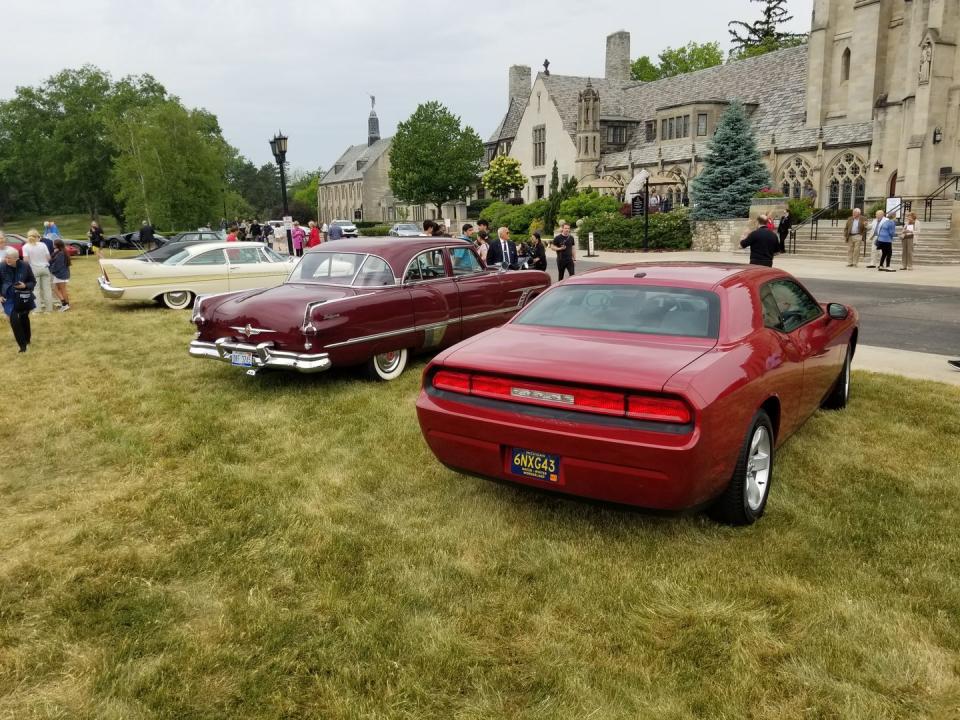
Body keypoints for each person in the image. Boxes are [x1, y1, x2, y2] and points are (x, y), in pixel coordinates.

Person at [1, 246, 36, 352]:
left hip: (23, 296)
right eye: (6, 257)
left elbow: (33, 281)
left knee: (24, 318)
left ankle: (27, 339)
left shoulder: (25, 266)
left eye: (9, 258)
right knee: (14, 319)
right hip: (9, 298)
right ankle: (22, 346)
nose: (7, 260)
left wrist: (25, 285)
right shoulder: (1, 267)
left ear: (16, 258)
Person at [22, 229, 54, 312]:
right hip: (45, 268)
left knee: (36, 290)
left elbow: (26, 261)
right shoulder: (43, 244)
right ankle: (49, 309)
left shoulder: (25, 247)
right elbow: (49, 258)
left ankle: (37, 310)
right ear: (38, 236)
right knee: (47, 289)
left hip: (33, 269)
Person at [49, 239, 72, 311]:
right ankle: (66, 304)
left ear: (56, 245)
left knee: (58, 289)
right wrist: (54, 253)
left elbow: (57, 265)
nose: (53, 245)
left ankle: (64, 304)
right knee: (61, 289)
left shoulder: (61, 254)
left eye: (54, 244)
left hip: (61, 274)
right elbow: (51, 260)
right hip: (63, 273)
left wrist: (51, 270)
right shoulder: (61, 252)